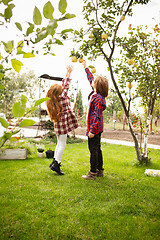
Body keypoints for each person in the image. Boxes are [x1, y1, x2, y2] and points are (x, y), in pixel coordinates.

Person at [46, 65, 78, 175]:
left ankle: (54, 161)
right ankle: (56, 163)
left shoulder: (53, 100)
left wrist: (67, 73)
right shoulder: (63, 97)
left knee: (59, 143)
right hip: (63, 125)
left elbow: (64, 86)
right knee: (62, 144)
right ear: (60, 93)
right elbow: (66, 85)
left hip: (57, 124)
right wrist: (69, 72)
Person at [82, 60, 109, 180]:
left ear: (97, 86)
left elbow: (97, 116)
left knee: (93, 150)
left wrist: (92, 130)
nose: (92, 82)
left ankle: (92, 173)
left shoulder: (98, 98)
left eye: (95, 82)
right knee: (97, 148)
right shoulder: (96, 94)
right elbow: (90, 79)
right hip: (97, 127)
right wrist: (85, 67)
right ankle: (100, 170)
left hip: (95, 128)